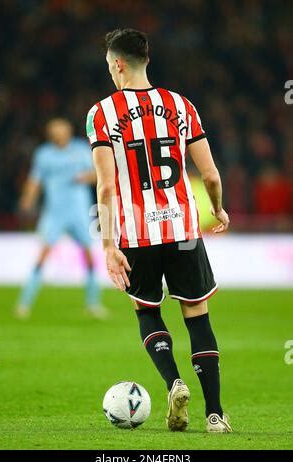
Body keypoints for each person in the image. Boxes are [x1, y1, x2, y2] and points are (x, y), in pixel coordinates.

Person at [86, 29, 232, 432]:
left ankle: (174, 383)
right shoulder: (181, 106)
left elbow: (107, 186)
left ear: (117, 64)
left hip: (137, 234)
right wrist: (217, 210)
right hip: (183, 229)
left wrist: (108, 244)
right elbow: (211, 175)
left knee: (147, 310)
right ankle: (216, 416)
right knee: (197, 316)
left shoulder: (102, 113)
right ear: (145, 59)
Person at [16, 118, 107, 319]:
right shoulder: (44, 154)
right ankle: (24, 303)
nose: (59, 134)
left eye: (62, 130)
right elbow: (35, 179)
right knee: (43, 254)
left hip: (79, 211)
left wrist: (87, 176)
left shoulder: (81, 149)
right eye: (55, 131)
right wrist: (27, 200)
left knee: (89, 255)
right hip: (55, 212)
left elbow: (99, 174)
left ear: (68, 131)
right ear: (50, 133)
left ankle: (93, 303)